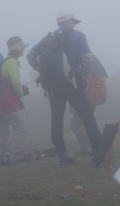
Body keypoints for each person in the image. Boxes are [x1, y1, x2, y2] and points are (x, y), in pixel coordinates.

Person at [27, 13, 105, 165]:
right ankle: (98, 150)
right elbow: (88, 58)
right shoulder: (78, 36)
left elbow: (30, 55)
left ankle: (62, 153)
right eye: (73, 21)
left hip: (52, 85)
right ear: (68, 22)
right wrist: (84, 75)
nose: (74, 24)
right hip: (71, 83)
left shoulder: (48, 37)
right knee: (87, 115)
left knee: (57, 118)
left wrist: (38, 69)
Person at [0, 36, 29, 164]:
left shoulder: (4, 61)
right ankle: (18, 154)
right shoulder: (11, 62)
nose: (23, 50)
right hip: (6, 102)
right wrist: (21, 93)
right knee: (20, 128)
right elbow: (16, 82)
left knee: (2, 132)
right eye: (22, 48)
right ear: (17, 49)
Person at [70, 55, 108, 155]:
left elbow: (83, 87)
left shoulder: (81, 63)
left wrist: (75, 103)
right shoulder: (92, 63)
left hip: (87, 99)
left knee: (75, 125)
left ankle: (89, 147)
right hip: (94, 97)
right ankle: (96, 145)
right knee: (90, 122)